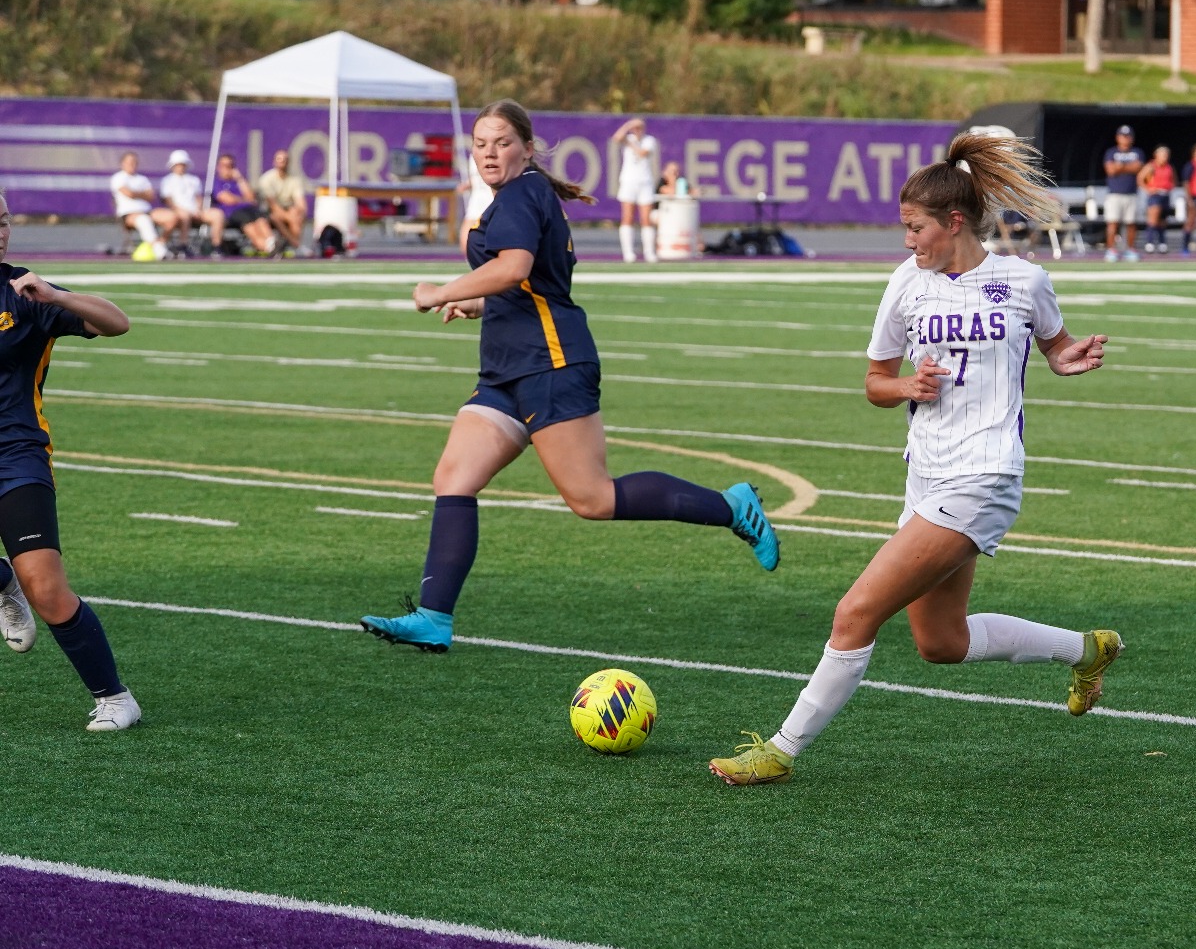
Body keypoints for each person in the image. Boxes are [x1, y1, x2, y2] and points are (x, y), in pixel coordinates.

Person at [708, 133, 1120, 786]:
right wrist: (907, 386)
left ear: (954, 221)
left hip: (985, 475)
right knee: (941, 642)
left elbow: (1055, 347)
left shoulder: (1024, 280)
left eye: (915, 227)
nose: (908, 241)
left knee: (855, 612)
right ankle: (1087, 649)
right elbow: (876, 381)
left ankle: (780, 751)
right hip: (925, 476)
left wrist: (1068, 359)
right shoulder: (907, 283)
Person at [360, 100, 780, 655]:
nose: (489, 153)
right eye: (481, 144)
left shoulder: (521, 193)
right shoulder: (519, 195)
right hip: (507, 369)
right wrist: (477, 305)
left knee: (593, 498)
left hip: (551, 364)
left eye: (502, 142)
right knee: (454, 477)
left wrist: (440, 291)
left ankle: (732, 506)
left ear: (527, 148)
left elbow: (513, 267)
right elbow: (531, 284)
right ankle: (434, 617)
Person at [0, 187, 141, 731]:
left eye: (4, 220)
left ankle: (115, 698)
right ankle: (3, 582)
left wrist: (57, 296)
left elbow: (117, 322)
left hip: (15, 457)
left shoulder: (24, 292)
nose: (1, 231)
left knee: (47, 590)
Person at [109, 152, 176, 261]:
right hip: (128, 214)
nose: (132, 164)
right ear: (122, 163)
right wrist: (143, 194)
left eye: (134, 162)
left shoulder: (142, 179)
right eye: (129, 162)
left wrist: (136, 193)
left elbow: (151, 196)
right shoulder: (118, 178)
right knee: (143, 220)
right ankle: (160, 251)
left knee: (172, 217)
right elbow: (129, 194)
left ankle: (160, 244)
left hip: (147, 211)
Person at [612, 117, 661, 263]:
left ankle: (649, 252)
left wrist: (631, 143)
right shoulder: (628, 138)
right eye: (635, 128)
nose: (637, 130)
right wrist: (627, 125)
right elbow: (616, 138)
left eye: (639, 127)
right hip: (628, 182)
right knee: (627, 217)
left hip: (645, 182)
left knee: (646, 218)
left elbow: (643, 153)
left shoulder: (649, 140)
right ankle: (628, 252)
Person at [158, 150, 222, 257]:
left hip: (195, 211)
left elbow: (198, 197)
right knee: (185, 216)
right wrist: (180, 210)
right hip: (179, 212)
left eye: (183, 164)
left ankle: (216, 246)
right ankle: (183, 245)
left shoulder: (194, 180)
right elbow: (168, 200)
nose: (180, 167)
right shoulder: (167, 181)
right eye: (178, 164)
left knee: (217, 214)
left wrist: (199, 209)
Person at [213, 154, 279, 256]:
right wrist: (244, 200)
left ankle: (273, 243)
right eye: (225, 166)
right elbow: (228, 199)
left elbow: (251, 197)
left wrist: (240, 179)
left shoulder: (238, 181)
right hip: (233, 212)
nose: (228, 169)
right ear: (219, 167)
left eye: (231, 166)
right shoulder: (217, 182)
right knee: (251, 228)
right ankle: (269, 248)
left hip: (250, 209)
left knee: (261, 221)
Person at [1101, 125, 1142, 261]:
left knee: (1131, 223)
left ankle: (1130, 250)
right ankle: (1111, 250)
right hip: (1115, 193)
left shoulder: (1137, 152)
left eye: (1128, 136)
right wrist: (1128, 167)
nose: (1126, 139)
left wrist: (1120, 167)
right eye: (1123, 136)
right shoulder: (1111, 152)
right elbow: (1110, 170)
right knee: (1112, 222)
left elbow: (1138, 168)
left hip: (1131, 193)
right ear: (1118, 137)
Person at [257, 149, 308, 251]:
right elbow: (272, 205)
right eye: (279, 159)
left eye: (285, 160)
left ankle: (291, 246)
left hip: (288, 209)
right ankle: (295, 245)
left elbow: (301, 203)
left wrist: (299, 213)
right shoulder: (266, 179)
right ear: (274, 162)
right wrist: (291, 218)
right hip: (269, 212)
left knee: (295, 213)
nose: (282, 162)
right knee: (276, 217)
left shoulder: (295, 179)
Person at [1140, 145, 1176, 254]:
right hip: (1155, 195)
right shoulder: (1151, 166)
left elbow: (1173, 180)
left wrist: (1170, 187)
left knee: (1162, 221)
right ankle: (1149, 243)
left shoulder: (1169, 167)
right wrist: (1149, 189)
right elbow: (1140, 178)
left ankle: (1162, 243)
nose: (1164, 157)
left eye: (1166, 155)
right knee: (1153, 219)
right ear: (1156, 155)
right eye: (1162, 155)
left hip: (1165, 195)